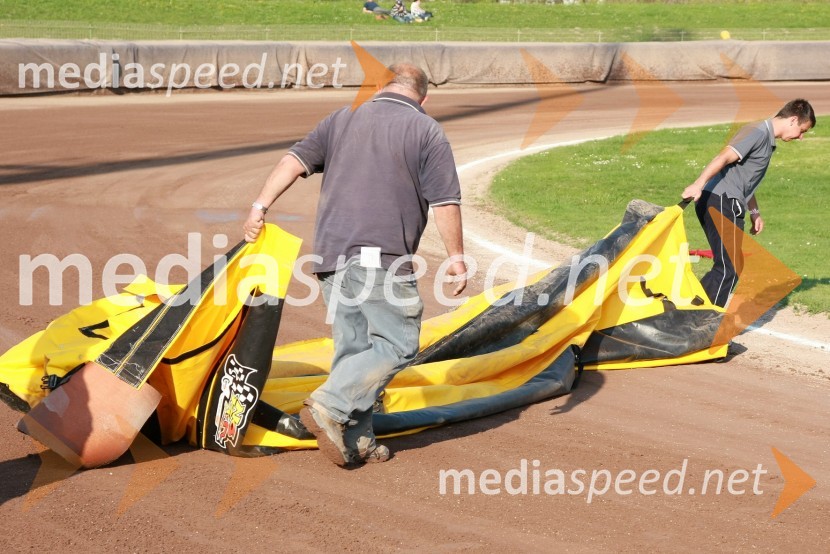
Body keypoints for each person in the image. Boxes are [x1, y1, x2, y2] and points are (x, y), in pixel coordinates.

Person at [242, 63, 467, 467]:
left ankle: (358, 440)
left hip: (330, 257)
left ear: (381, 88)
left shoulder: (341, 118)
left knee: (356, 348)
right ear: (424, 97)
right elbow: (445, 202)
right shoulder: (425, 130)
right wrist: (456, 258)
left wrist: (260, 206)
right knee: (398, 343)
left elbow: (293, 162)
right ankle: (330, 403)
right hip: (379, 257)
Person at [681, 99, 815, 307]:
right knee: (729, 267)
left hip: (723, 201)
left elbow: (745, 180)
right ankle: (702, 323)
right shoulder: (757, 132)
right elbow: (724, 157)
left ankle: (692, 311)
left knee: (730, 266)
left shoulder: (766, 139)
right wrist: (698, 183)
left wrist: (754, 212)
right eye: (802, 130)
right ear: (793, 120)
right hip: (721, 201)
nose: (801, 137)